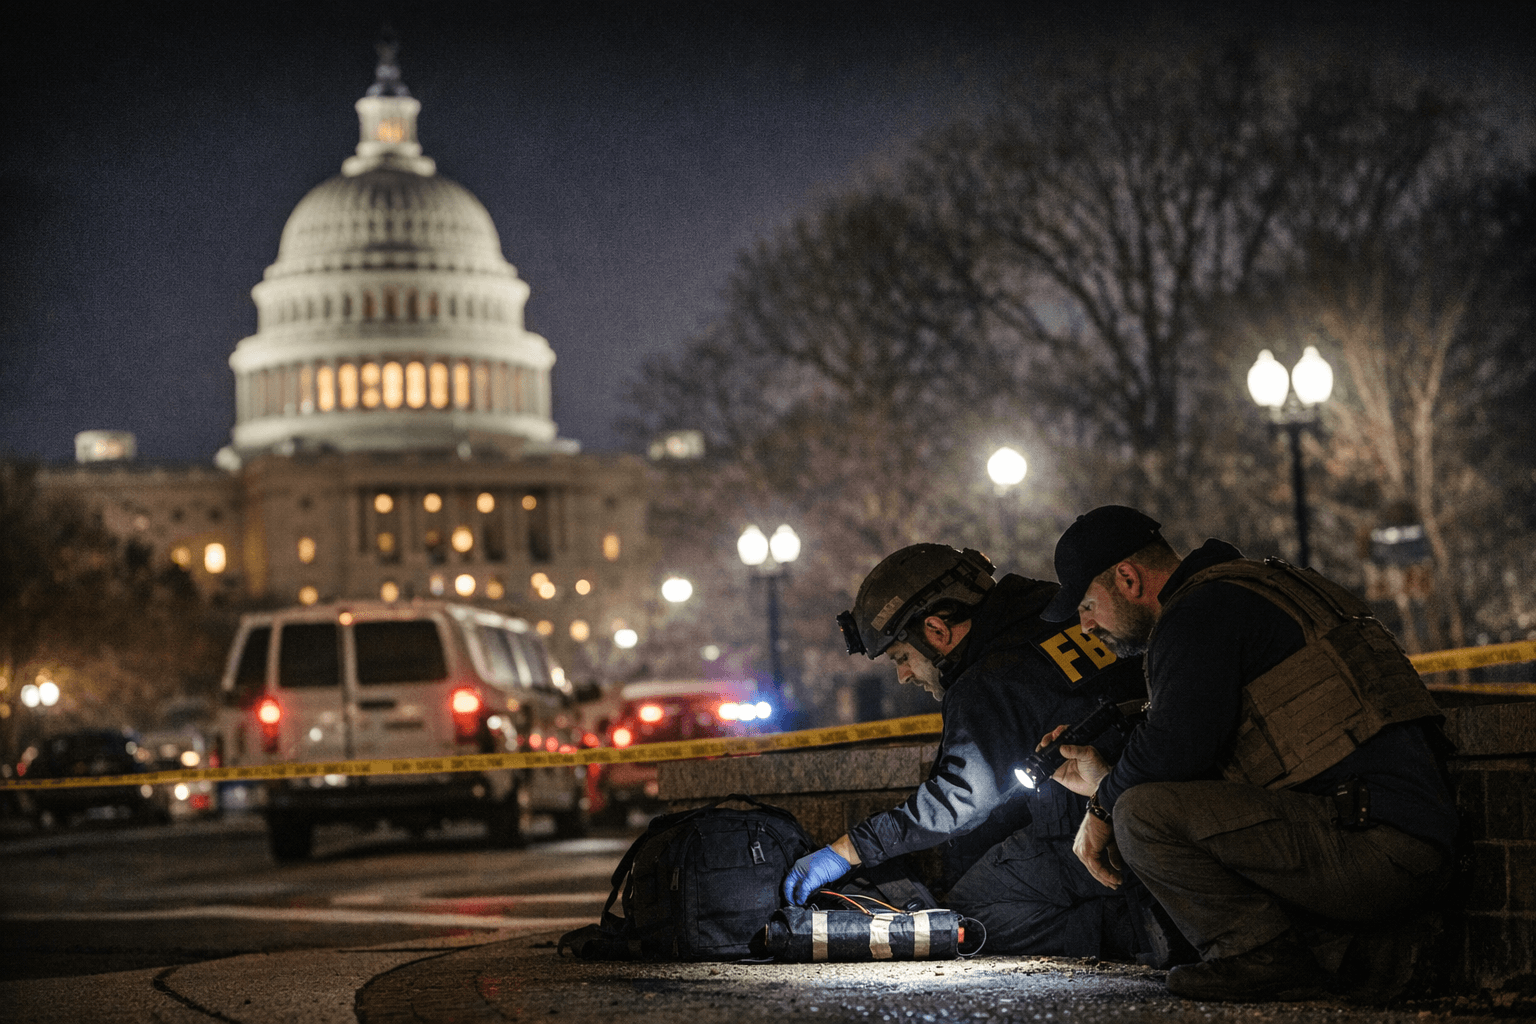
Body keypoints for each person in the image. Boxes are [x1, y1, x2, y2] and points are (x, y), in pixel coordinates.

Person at [1039, 505, 1456, 1001]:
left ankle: (1263, 958)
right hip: (1402, 835)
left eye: (1087, 606)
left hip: (1375, 849)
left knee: (1138, 816)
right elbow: (1196, 761)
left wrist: (1103, 806)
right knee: (1138, 802)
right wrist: (1104, 780)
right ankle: (1360, 954)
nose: (1086, 628)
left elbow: (1176, 752)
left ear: (1128, 578)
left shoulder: (1197, 613)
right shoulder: (1243, 589)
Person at [781, 543, 1155, 958]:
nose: (904, 676)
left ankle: (1138, 930)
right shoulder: (1056, 611)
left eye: (902, 657)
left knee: (971, 915)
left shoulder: (989, 679)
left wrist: (846, 850)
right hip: (1147, 799)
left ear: (937, 631)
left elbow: (958, 800)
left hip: (1093, 826)